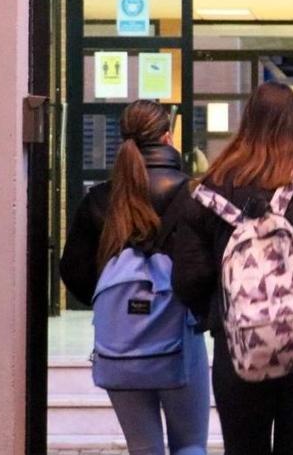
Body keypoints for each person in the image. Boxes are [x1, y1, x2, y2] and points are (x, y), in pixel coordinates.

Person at [172, 82, 293, 455]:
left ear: (246, 123)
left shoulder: (212, 187)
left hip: (239, 345)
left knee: (244, 446)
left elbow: (188, 274)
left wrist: (219, 309)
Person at [60, 100, 209, 455]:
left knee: (143, 449)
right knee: (190, 445)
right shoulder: (194, 195)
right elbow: (207, 267)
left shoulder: (100, 199)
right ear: (168, 137)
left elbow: (73, 269)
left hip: (120, 346)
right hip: (180, 339)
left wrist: (116, 307)